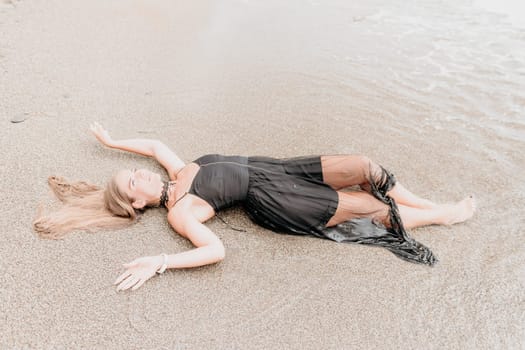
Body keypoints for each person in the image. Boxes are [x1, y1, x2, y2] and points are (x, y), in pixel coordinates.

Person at [33, 122, 476, 291]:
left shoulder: (176, 170)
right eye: (134, 180)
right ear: (136, 201)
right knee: (367, 208)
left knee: (363, 165)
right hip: (276, 201)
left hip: (278, 169)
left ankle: (425, 203)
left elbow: (151, 143)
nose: (142, 173)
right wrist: (162, 261)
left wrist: (112, 142)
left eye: (136, 171)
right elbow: (215, 251)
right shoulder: (180, 210)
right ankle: (442, 214)